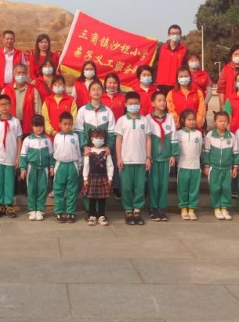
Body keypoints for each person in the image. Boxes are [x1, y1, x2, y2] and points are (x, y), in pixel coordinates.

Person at [75, 80, 116, 220]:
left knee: (102, 180)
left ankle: (101, 212)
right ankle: (89, 210)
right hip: (89, 152)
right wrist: (84, 146)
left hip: (103, 152)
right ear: (89, 92)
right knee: (88, 180)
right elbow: (79, 131)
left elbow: (111, 132)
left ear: (102, 91)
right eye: (93, 89)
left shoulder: (108, 111)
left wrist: (108, 146)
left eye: (99, 89)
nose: (96, 92)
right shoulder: (82, 110)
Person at [115, 91, 151, 226]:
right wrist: (119, 158)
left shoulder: (144, 120)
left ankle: (137, 210)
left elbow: (148, 140)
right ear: (126, 104)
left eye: (136, 103)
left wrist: (148, 158)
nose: (133, 105)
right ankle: (128, 210)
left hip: (141, 160)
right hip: (126, 160)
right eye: (130, 103)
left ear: (140, 104)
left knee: (139, 187)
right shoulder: (122, 120)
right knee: (126, 187)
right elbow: (118, 140)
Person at [0, 94, 23, 219]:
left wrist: (18, 157)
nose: (4, 106)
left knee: (9, 182)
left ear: (11, 105)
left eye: (7, 104)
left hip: (11, 157)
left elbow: (19, 140)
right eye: (2, 104)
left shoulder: (15, 122)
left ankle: (8, 204)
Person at [147, 91, 178, 221]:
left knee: (164, 184)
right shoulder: (147, 119)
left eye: (164, 100)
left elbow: (174, 135)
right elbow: (146, 139)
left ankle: (161, 208)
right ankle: (153, 208)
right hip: (153, 158)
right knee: (153, 183)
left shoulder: (169, 118)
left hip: (165, 157)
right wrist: (148, 156)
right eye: (159, 100)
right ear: (153, 103)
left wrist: (173, 155)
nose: (162, 103)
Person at [202, 111, 238, 220]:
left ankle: (224, 208)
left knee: (226, 188)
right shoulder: (210, 135)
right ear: (215, 122)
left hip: (227, 168)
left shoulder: (232, 136)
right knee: (215, 188)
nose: (222, 123)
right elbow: (207, 151)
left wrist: (235, 166)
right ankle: (217, 208)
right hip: (214, 168)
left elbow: (235, 153)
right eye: (220, 121)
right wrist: (206, 165)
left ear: (228, 122)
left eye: (225, 121)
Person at [19, 114, 54, 221]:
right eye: (36, 126)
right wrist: (23, 168)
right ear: (32, 126)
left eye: (41, 126)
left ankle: (40, 210)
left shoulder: (47, 140)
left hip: (44, 169)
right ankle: (32, 209)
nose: (38, 128)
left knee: (42, 189)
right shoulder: (28, 140)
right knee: (31, 189)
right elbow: (23, 155)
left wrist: (51, 166)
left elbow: (51, 155)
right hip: (31, 168)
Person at [52, 112, 82, 223]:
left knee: (72, 190)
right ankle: (59, 212)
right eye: (65, 124)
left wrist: (79, 165)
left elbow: (78, 152)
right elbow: (54, 151)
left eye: (69, 124)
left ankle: (71, 212)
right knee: (58, 189)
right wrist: (53, 166)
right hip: (60, 165)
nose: (67, 126)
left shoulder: (75, 136)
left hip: (72, 165)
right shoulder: (57, 137)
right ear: (60, 124)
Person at [81, 128, 114, 226]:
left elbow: (110, 165)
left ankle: (101, 215)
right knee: (91, 198)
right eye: (96, 137)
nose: (98, 139)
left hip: (103, 178)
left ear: (104, 139)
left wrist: (110, 177)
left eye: (100, 138)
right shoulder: (89, 151)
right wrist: (85, 178)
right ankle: (92, 215)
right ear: (91, 138)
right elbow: (86, 165)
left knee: (102, 198)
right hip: (92, 178)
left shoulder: (106, 151)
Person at [175, 109, 202, 220]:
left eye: (193, 119)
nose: (192, 122)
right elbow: (177, 150)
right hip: (183, 166)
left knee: (194, 189)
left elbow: (199, 150)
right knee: (183, 189)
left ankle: (192, 209)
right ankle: (183, 208)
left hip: (195, 166)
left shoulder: (198, 134)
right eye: (189, 120)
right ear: (183, 120)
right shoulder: (179, 134)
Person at [2, 63, 42, 137]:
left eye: (23, 73)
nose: (21, 75)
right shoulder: (6, 90)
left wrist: (37, 126)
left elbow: (38, 111)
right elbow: (0, 110)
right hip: (10, 126)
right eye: (19, 73)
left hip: (28, 127)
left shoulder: (33, 90)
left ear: (27, 74)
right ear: (14, 74)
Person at [167, 66, 206, 130]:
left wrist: (196, 122)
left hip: (195, 128)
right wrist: (179, 121)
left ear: (190, 77)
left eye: (186, 76)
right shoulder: (171, 93)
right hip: (178, 128)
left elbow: (201, 110)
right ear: (177, 78)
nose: (183, 78)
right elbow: (171, 110)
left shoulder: (198, 92)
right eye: (181, 76)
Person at [154, 24, 187, 95]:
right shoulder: (161, 48)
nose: (175, 35)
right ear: (168, 35)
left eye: (177, 33)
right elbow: (153, 63)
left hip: (176, 85)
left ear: (180, 35)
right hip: (160, 85)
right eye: (173, 33)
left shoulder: (184, 50)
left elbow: (186, 68)